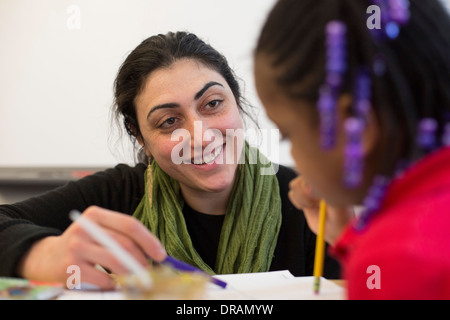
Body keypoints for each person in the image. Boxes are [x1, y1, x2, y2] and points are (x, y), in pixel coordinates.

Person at [0, 31, 340, 289]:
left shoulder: (310, 201)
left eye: (212, 104)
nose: (202, 136)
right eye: (169, 121)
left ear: (237, 103)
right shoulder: (118, 195)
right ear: (141, 139)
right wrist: (40, 254)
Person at [254, 0, 450, 299]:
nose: (292, 156)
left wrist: (374, 251)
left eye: (288, 135)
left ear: (354, 124)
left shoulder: (399, 257)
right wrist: (350, 233)